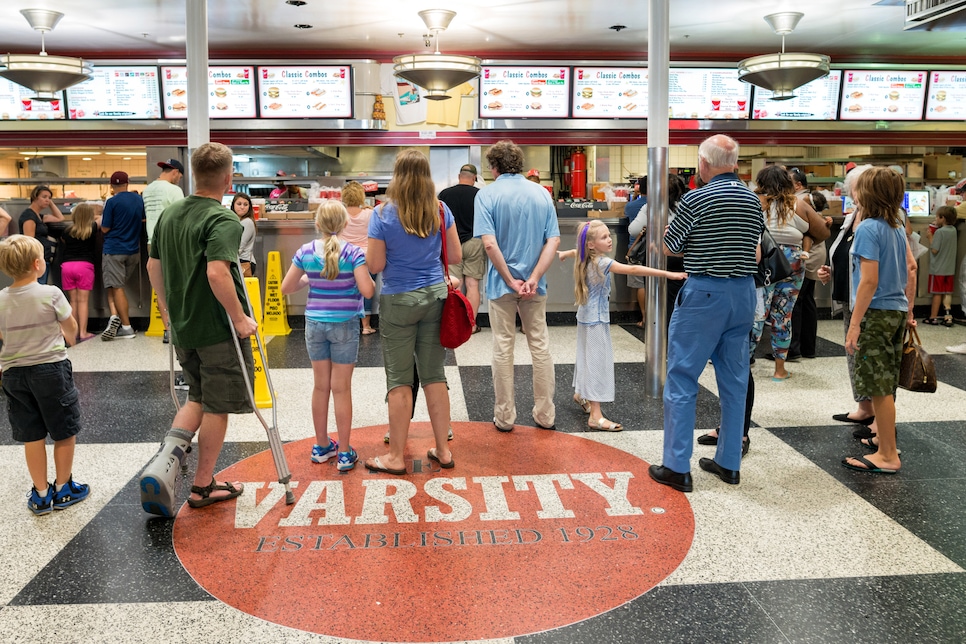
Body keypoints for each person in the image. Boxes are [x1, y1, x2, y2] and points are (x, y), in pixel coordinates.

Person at [139, 141, 258, 517]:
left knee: (197, 398)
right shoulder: (223, 220)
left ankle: (163, 465)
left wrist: (166, 308)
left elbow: (152, 267)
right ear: (228, 177)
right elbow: (217, 271)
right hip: (216, 329)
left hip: (184, 327)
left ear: (192, 173)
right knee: (218, 406)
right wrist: (240, 319)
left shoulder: (172, 214)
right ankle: (203, 485)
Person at [650, 134, 763, 493]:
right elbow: (756, 251)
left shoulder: (695, 198)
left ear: (703, 163)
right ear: (736, 164)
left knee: (683, 377)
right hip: (743, 294)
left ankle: (676, 466)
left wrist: (667, 236)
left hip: (704, 294)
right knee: (735, 379)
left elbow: (671, 246)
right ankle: (729, 462)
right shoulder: (752, 200)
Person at [364, 149, 459, 475]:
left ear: (397, 175)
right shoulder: (440, 210)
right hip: (434, 297)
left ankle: (395, 459)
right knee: (435, 375)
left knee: (400, 380)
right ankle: (443, 450)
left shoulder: (382, 214)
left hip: (398, 300)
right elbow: (456, 254)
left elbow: (375, 265)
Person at [559, 219, 686, 431]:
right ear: (591, 245)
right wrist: (669, 274)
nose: (609, 240)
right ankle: (595, 415)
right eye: (604, 237)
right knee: (597, 364)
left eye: (609, 235)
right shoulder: (603, 263)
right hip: (596, 321)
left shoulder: (585, 256)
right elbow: (634, 269)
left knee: (586, 358)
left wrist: (564, 253)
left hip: (584, 317)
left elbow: (576, 251)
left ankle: (581, 394)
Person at [281, 200, 375, 472]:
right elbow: (368, 291)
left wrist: (310, 279)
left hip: (314, 324)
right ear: (346, 224)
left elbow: (288, 287)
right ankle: (344, 453)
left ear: (318, 224)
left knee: (320, 386)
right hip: (344, 325)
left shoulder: (306, 251)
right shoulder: (354, 253)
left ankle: (322, 446)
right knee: (341, 389)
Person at [0, 234, 89, 515]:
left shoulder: (0, 299)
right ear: (38, 264)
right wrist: (70, 339)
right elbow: (69, 324)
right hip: (50, 369)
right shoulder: (51, 293)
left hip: (14, 373)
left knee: (32, 434)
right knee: (63, 430)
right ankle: (63, 489)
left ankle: (40, 494)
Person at [475, 140, 560, 433]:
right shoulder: (542, 193)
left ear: (493, 166)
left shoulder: (486, 195)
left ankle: (505, 416)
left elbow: (489, 243)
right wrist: (534, 276)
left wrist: (511, 279)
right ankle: (545, 414)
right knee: (540, 344)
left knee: (503, 346)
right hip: (537, 286)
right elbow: (554, 240)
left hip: (501, 285)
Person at [841, 167, 913, 475]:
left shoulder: (869, 228)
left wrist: (855, 323)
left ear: (868, 194)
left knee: (879, 386)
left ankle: (887, 455)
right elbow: (910, 266)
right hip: (895, 311)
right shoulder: (895, 226)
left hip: (876, 313)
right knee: (886, 383)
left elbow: (868, 281)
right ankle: (884, 441)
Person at [750, 165, 829, 380]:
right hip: (793, 262)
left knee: (756, 314)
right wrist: (807, 237)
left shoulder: (756, 201)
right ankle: (779, 369)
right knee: (783, 315)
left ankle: (744, 364)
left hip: (764, 260)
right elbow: (822, 232)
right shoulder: (798, 204)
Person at [438, 164, 483, 332]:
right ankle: (471, 325)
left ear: (459, 176)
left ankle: (456, 325)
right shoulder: (479, 194)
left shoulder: (444, 194)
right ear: (475, 178)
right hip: (474, 241)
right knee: (472, 285)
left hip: (452, 243)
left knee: (454, 285)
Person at [100, 171, 144, 341]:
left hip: (114, 249)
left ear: (111, 186)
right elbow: (143, 220)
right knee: (114, 284)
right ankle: (113, 317)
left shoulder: (111, 202)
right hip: (133, 250)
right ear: (128, 183)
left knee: (116, 287)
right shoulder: (138, 199)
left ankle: (126, 327)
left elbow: (104, 228)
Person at [59, 203, 100, 342]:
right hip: (84, 266)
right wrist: (95, 214)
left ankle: (74, 333)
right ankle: (83, 332)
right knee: (83, 301)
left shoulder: (66, 230)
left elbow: (63, 242)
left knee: (73, 301)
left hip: (67, 266)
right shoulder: (92, 228)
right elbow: (102, 219)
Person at [341, 181, 377, 334]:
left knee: (346, 290)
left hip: (344, 257)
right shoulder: (370, 213)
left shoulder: (340, 214)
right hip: (366, 256)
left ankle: (347, 325)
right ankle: (366, 326)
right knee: (366, 289)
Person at [18, 185, 64, 285]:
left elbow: (60, 218)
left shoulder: (39, 216)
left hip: (43, 259)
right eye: (44, 197)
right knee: (37, 288)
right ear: (35, 197)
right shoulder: (29, 216)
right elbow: (30, 241)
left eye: (49, 198)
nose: (47, 200)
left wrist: (50, 203)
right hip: (35, 262)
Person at [923, 205, 958, 327]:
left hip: (938, 269)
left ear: (942, 218)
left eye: (937, 217)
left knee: (937, 293)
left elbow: (934, 250)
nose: (935, 219)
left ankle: (933, 317)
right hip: (950, 269)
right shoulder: (953, 230)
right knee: (947, 292)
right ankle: (948, 317)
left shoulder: (939, 232)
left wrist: (930, 237)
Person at [143, 158, 185, 246]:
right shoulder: (174, 190)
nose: (178, 181)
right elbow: (181, 218)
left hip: (151, 242)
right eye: (180, 177)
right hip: (169, 242)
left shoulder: (147, 189)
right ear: (175, 172)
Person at [231, 193, 257, 278]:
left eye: (245, 204)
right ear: (233, 205)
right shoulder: (235, 221)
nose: (242, 207)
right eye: (239, 204)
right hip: (237, 261)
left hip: (244, 263)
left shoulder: (247, 222)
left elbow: (240, 246)